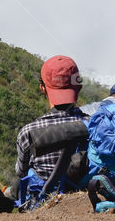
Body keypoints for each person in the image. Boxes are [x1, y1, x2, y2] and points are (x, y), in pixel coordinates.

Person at [15, 55, 88, 183]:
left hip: (43, 192)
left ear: (42, 88)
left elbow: (21, 172)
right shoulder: (93, 124)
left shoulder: (28, 132)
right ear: (79, 87)